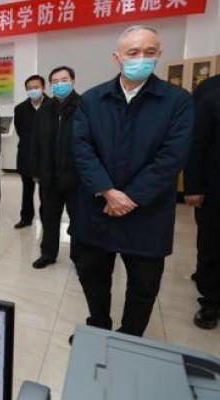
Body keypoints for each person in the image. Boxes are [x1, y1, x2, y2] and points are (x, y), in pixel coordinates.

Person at [70, 26, 193, 338]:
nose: (141, 58)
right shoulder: (92, 100)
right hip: (98, 208)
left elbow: (171, 157)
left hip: (147, 213)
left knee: (144, 285)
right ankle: (98, 326)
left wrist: (131, 197)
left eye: (149, 53)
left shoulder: (177, 101)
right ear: (117, 57)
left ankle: (129, 338)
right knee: (93, 275)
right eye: (133, 53)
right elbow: (81, 149)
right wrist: (108, 192)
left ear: (159, 55)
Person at [30, 66, 82, 269]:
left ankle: (79, 256)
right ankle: (48, 253)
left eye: (64, 80)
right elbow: (35, 142)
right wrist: (35, 171)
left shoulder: (84, 106)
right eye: (55, 81)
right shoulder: (45, 109)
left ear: (73, 81)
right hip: (49, 176)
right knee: (49, 217)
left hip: (75, 176)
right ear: (50, 85)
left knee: (78, 219)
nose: (60, 84)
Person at [184, 75, 220, 329]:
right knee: (213, 243)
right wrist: (194, 186)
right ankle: (211, 301)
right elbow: (196, 144)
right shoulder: (211, 93)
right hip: (215, 186)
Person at [13, 75, 52, 229]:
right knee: (27, 190)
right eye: (30, 88)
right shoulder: (20, 109)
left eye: (36, 87)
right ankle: (26, 218)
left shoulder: (52, 106)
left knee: (46, 193)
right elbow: (21, 131)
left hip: (47, 158)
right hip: (26, 155)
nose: (33, 90)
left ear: (43, 88)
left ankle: (46, 219)